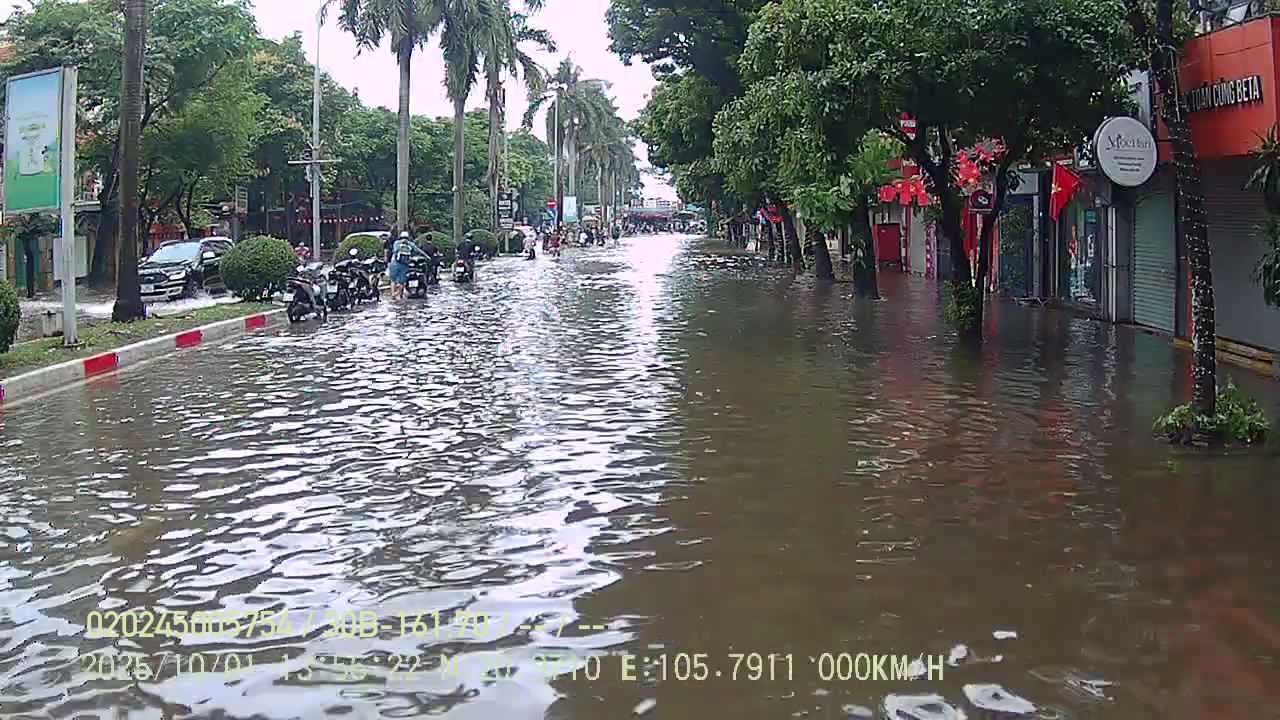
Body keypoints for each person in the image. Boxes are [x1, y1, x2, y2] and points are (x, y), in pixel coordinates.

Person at [388, 231, 427, 300]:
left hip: (394, 263)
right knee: (402, 281)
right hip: (404, 265)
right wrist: (427, 256)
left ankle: (393, 294)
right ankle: (398, 294)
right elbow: (418, 250)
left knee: (393, 280)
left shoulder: (396, 243)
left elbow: (394, 251)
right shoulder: (410, 244)